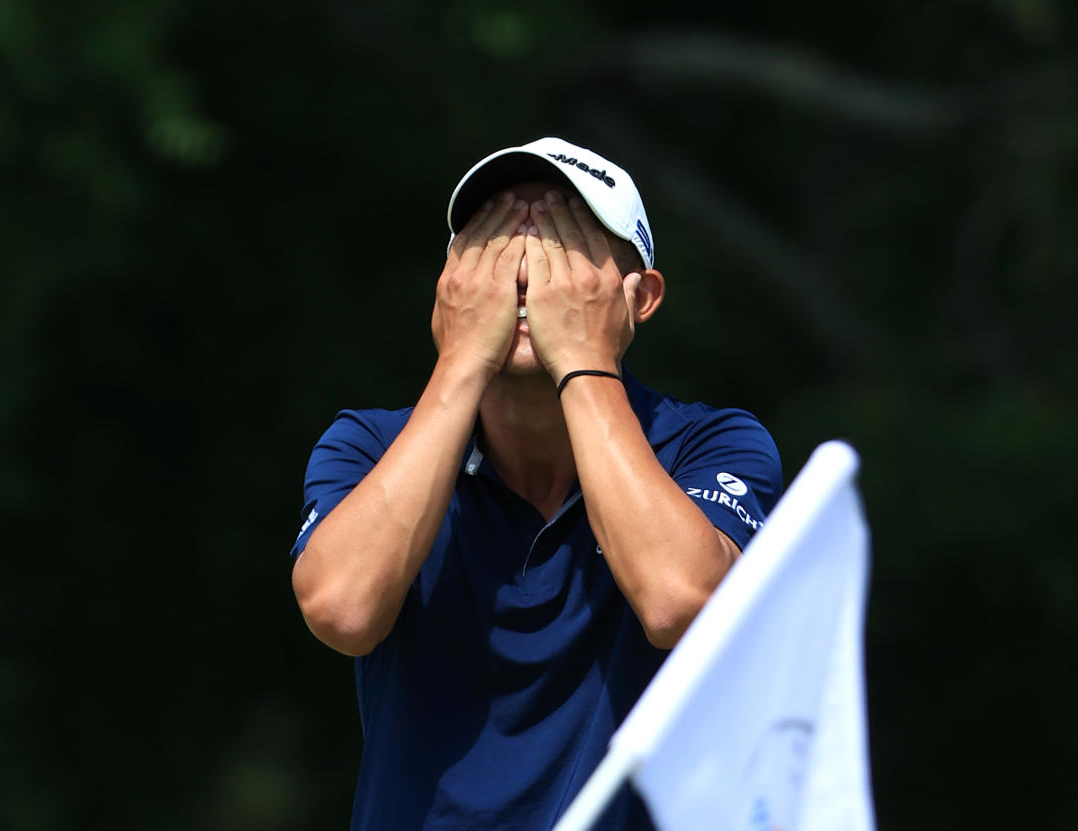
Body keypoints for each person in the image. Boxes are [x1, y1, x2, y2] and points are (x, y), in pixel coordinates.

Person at [289, 137, 782, 830]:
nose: (526, 274)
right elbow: (342, 609)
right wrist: (461, 363)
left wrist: (581, 359)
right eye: (496, 245)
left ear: (640, 297)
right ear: (451, 285)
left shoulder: (711, 443)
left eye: (562, 245)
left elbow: (680, 602)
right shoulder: (369, 444)